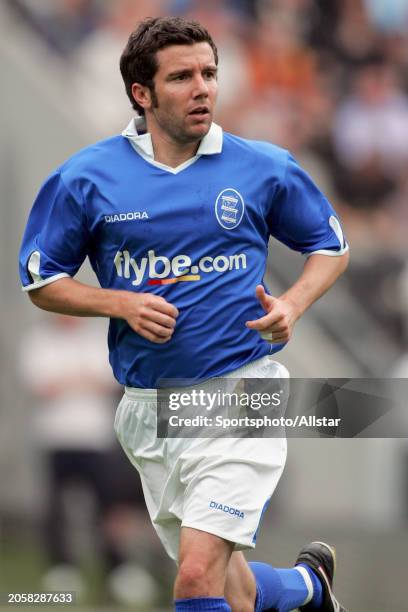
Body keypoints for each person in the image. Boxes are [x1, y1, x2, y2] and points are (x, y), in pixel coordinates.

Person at [19, 16, 349, 612]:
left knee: (195, 580)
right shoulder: (85, 178)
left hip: (242, 394)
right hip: (150, 410)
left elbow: (330, 246)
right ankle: (307, 587)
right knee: (231, 587)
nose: (203, 88)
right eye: (182, 77)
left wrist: (293, 304)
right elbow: (41, 281)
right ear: (141, 94)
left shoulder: (261, 167)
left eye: (209, 73)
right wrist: (118, 302)